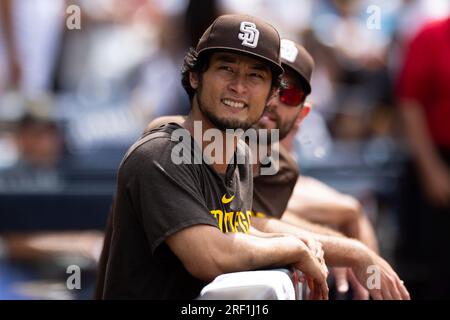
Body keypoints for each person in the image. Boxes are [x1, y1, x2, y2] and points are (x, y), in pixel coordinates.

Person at [102, 14, 329, 300]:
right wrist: (293, 247)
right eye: (226, 69)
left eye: (255, 75)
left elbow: (234, 233)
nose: (239, 86)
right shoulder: (159, 154)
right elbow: (209, 257)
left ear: (272, 94)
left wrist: (299, 240)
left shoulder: (241, 157)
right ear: (195, 76)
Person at [396, 16, 450, 299]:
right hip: (435, 160)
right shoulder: (430, 35)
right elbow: (410, 104)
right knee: (433, 269)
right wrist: (432, 170)